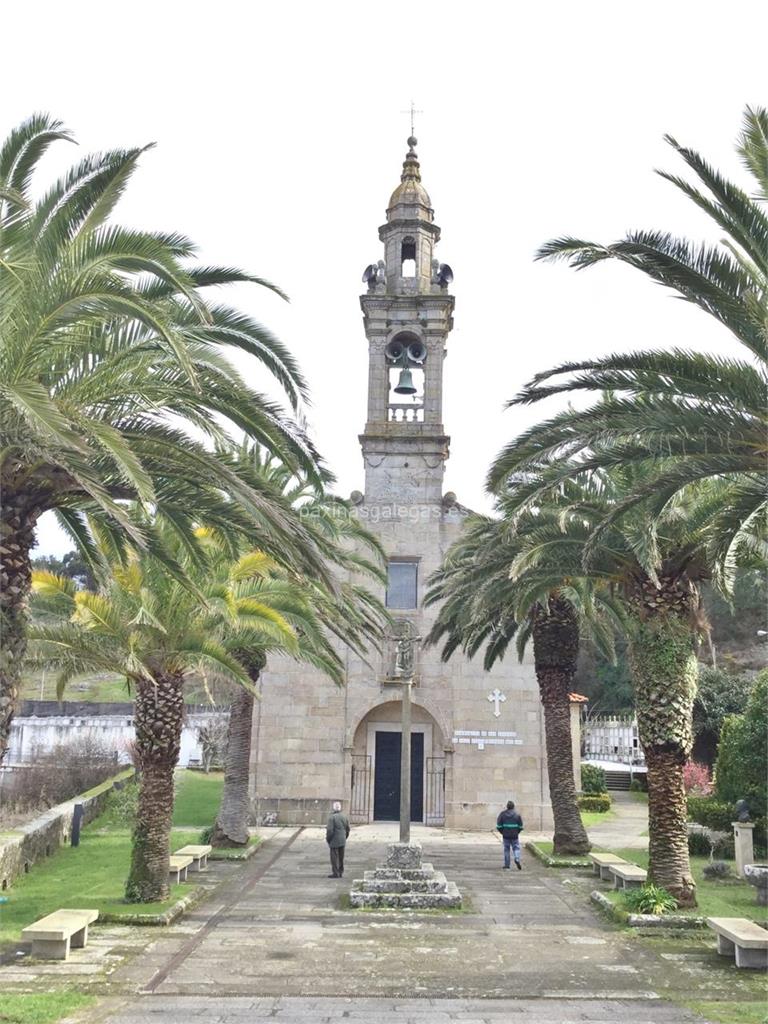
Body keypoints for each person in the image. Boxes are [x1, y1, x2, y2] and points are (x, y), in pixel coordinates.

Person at [325, 800, 350, 878]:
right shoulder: (344, 816)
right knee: (341, 857)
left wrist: (328, 839)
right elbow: (348, 829)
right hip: (342, 839)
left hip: (334, 840)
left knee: (334, 857)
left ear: (333, 809)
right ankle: (340, 871)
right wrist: (345, 837)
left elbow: (330, 830)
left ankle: (335, 873)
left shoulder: (332, 818)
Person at [496, 800, 523, 870]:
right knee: (516, 848)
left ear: (507, 807)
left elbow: (498, 826)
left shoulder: (502, 814)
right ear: (513, 807)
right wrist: (517, 832)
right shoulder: (517, 814)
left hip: (506, 835)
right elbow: (520, 827)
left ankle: (507, 865)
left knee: (506, 849)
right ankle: (517, 858)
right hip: (514, 835)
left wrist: (503, 832)